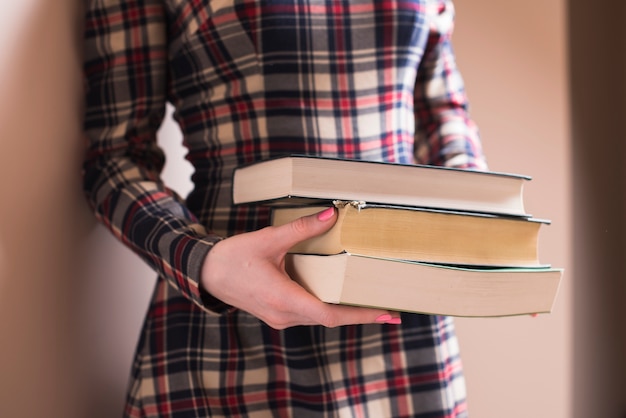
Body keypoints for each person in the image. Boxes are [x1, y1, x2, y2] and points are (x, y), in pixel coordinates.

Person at [82, 0, 487, 416]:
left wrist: (488, 222)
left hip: (401, 320)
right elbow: (115, 159)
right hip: (233, 320)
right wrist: (205, 262)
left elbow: (441, 115)